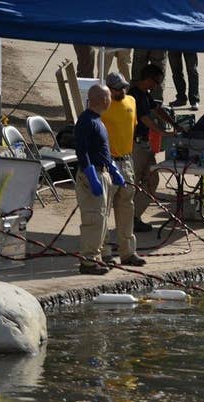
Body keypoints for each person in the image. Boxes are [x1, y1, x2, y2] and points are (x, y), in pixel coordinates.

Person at [73, 85, 127, 275]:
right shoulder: (86, 121)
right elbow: (82, 151)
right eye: (109, 97)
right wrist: (91, 175)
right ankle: (88, 261)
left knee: (102, 218)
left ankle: (100, 255)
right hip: (93, 175)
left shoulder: (98, 121)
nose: (111, 100)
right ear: (104, 99)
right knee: (94, 219)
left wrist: (112, 168)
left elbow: (101, 149)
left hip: (103, 172)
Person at [128, 64, 182, 232]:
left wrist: (174, 124)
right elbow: (144, 118)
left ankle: (134, 216)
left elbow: (157, 110)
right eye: (156, 82)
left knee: (152, 180)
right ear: (148, 79)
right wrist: (162, 133)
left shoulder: (145, 94)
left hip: (145, 144)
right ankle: (129, 219)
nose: (156, 86)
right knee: (134, 183)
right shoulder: (133, 95)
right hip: (135, 146)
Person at [99, 73, 146, 267]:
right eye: (117, 88)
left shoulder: (132, 101)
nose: (122, 91)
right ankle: (104, 252)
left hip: (126, 162)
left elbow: (131, 128)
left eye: (123, 87)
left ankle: (128, 252)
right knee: (103, 210)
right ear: (108, 89)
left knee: (126, 209)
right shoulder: (100, 106)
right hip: (107, 162)